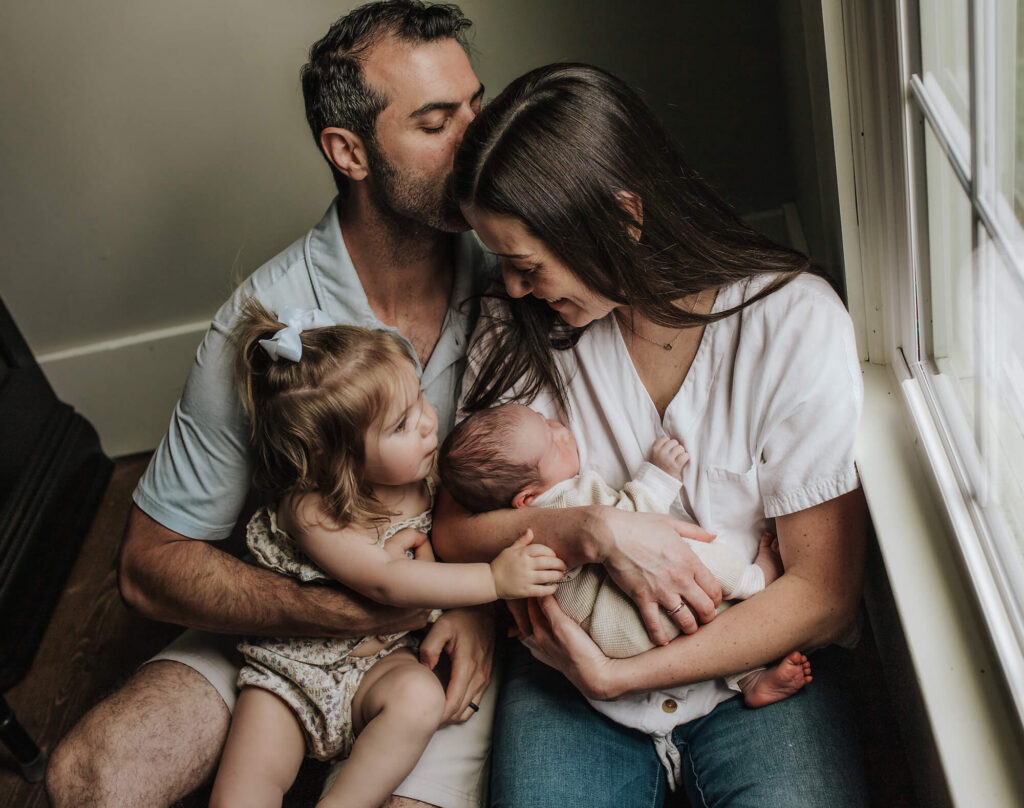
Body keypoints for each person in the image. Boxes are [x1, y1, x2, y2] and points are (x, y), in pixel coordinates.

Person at [45, 4, 506, 807]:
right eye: (438, 123)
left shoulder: (521, 264)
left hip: (453, 634)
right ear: (348, 151)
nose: (482, 142)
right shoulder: (270, 319)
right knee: (89, 778)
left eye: (478, 107)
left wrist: (475, 607)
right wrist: (335, 610)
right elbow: (150, 568)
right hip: (289, 627)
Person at [432, 62, 869, 806]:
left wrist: (621, 674)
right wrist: (591, 528)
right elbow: (453, 536)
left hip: (748, 675)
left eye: (525, 264)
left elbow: (824, 594)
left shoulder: (793, 321)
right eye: (501, 264)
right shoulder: (517, 327)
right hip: (565, 680)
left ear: (622, 218)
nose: (508, 286)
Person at [209, 303, 564, 807]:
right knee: (248, 789)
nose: (427, 423)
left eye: (419, 397)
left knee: (420, 697)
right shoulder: (312, 509)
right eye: (400, 425)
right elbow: (386, 581)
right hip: (292, 676)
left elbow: (447, 547)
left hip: (377, 670)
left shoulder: (431, 479)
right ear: (337, 460)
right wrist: (492, 579)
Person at [438, 402, 811, 788]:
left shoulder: (515, 536)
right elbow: (634, 520)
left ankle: (749, 680)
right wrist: (660, 473)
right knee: (686, 555)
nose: (561, 429)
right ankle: (756, 580)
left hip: (596, 643)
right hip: (626, 621)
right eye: (552, 440)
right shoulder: (571, 498)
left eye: (550, 423)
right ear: (527, 498)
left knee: (695, 620)